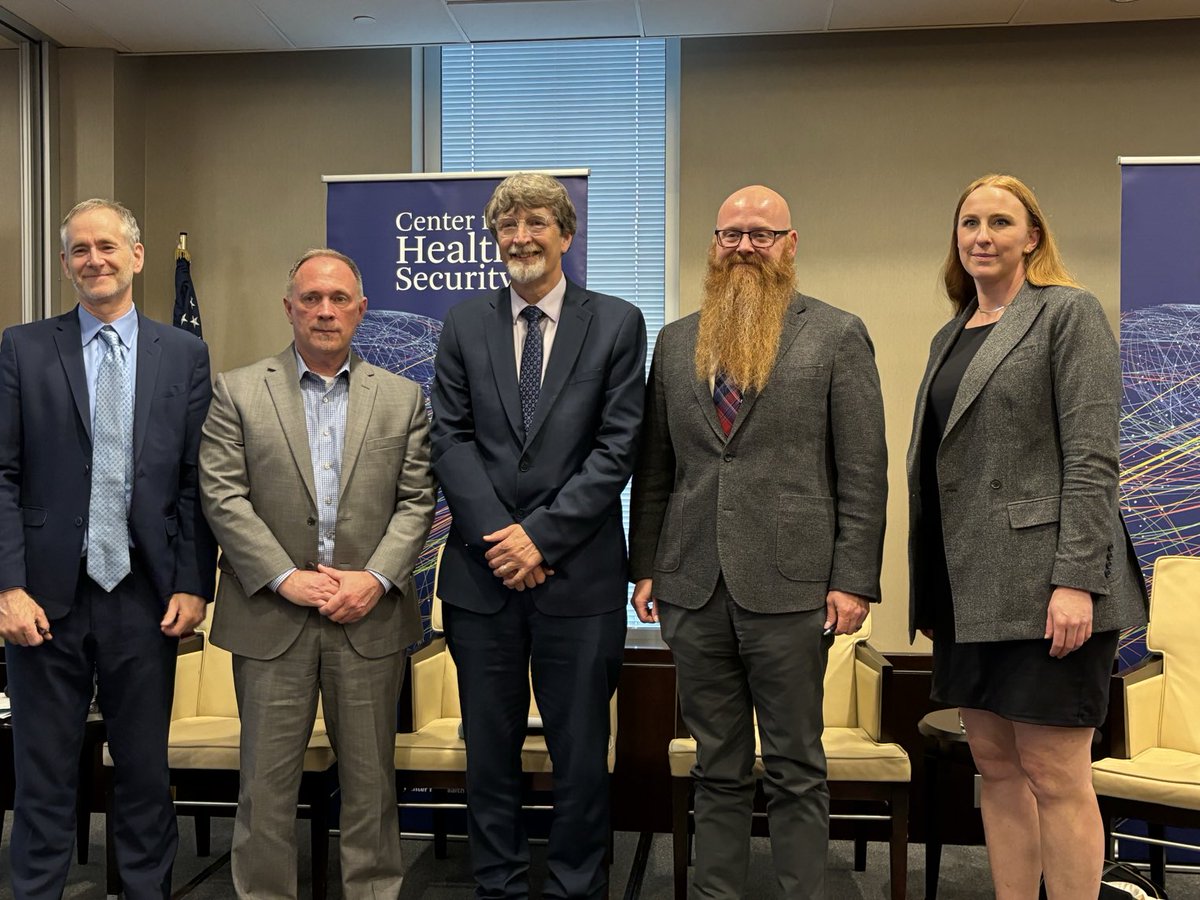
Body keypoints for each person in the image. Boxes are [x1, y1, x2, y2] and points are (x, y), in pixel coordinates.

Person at [629, 184, 888, 899]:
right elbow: (656, 467)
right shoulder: (678, 340)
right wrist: (645, 565)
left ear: (791, 245)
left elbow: (862, 470)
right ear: (714, 245)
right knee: (716, 765)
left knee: (796, 765)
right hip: (691, 585)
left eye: (761, 234)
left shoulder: (836, 334)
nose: (745, 246)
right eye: (731, 233)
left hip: (793, 586)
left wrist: (854, 578)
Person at [907, 173, 1148, 900]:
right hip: (967, 589)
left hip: (1050, 590)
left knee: (1055, 774)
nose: (982, 235)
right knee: (999, 770)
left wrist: (1077, 578)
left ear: (1032, 238)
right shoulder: (950, 332)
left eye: (1000, 223)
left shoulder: (1066, 313)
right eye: (970, 222)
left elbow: (1091, 457)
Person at [430, 172, 646, 899]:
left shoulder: (617, 322)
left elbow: (617, 449)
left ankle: (575, 885)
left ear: (565, 233)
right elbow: (450, 441)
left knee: (581, 751)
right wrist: (501, 536)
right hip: (479, 576)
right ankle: (496, 882)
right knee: (487, 752)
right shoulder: (463, 323)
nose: (520, 237)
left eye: (535, 223)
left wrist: (540, 540)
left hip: (577, 576)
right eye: (507, 226)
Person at [198, 248, 435, 899]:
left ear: (361, 309)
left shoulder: (403, 396)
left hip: (370, 618)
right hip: (273, 619)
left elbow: (417, 501)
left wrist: (376, 578)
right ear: (289, 307)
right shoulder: (238, 390)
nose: (324, 310)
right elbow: (222, 496)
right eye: (310, 298)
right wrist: (284, 576)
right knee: (265, 792)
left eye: (338, 299)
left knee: (371, 790)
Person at [0, 199, 216, 899]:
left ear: (138, 255)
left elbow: (194, 479)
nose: (95, 259)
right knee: (43, 776)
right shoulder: (24, 347)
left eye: (107, 247)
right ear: (65, 265)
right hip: (43, 601)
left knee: (147, 777)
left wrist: (193, 583)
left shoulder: (183, 353)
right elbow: (1, 474)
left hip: (144, 598)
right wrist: (7, 588)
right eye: (80, 250)